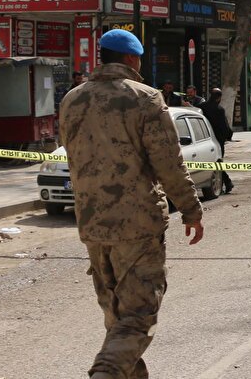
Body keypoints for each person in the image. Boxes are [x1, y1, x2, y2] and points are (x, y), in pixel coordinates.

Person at [58, 29, 204, 379]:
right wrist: (191, 208)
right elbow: (168, 161)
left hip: (92, 225)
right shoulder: (146, 98)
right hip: (137, 225)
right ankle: (105, 373)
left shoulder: (72, 99)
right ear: (131, 59)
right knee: (138, 317)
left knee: (117, 317)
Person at [200, 88, 235, 194]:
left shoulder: (202, 107)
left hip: (204, 137)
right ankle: (227, 182)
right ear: (219, 98)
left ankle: (227, 183)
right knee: (218, 162)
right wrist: (228, 136)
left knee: (216, 163)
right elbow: (224, 126)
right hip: (217, 140)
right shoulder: (219, 109)